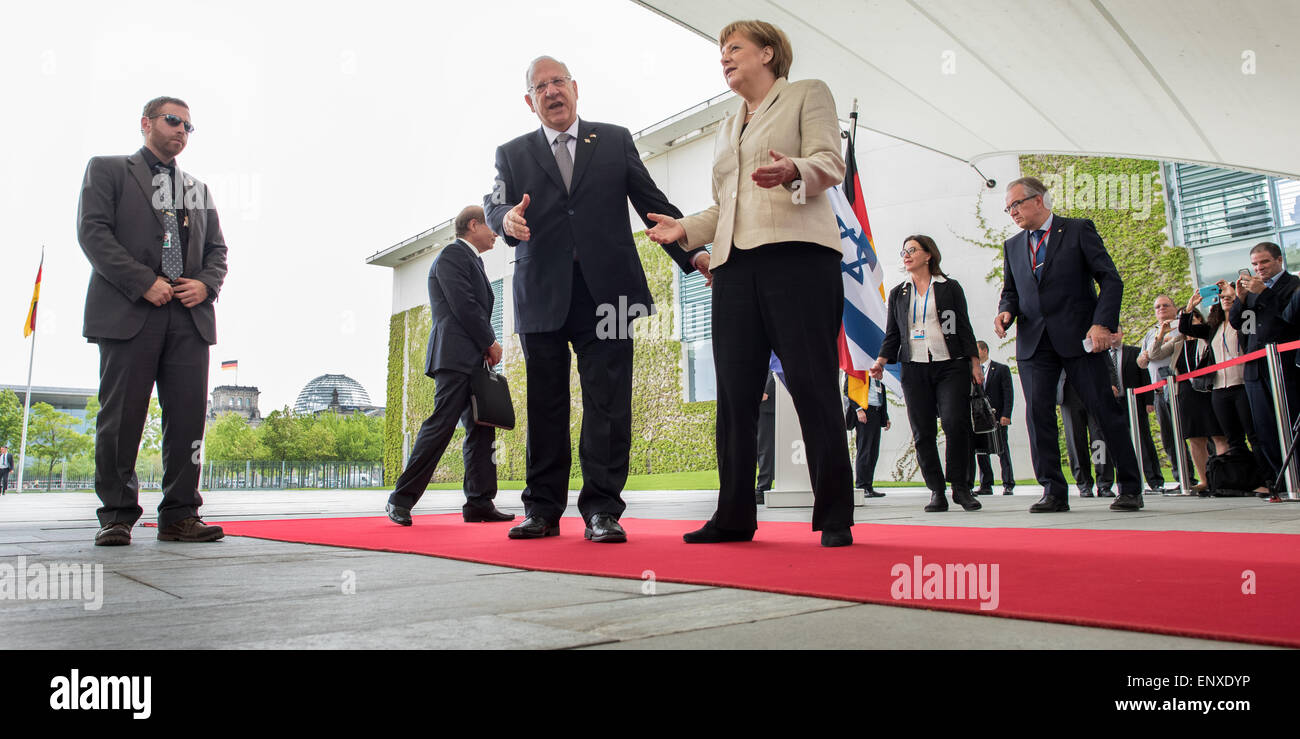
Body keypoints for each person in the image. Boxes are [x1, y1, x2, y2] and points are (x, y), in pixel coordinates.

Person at [645, 19, 854, 546]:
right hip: (733, 270)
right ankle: (734, 515)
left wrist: (794, 171)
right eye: (721, 51)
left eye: (734, 48)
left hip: (798, 260)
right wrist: (685, 230)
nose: (725, 58)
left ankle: (833, 516)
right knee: (736, 397)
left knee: (811, 384)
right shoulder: (727, 123)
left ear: (767, 53)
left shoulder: (807, 94)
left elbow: (831, 163)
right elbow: (727, 205)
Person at [485, 56, 707, 543]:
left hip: (609, 295)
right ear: (530, 101)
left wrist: (696, 256)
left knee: (608, 402)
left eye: (557, 81)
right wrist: (505, 220)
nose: (551, 91)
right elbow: (494, 202)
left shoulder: (613, 139)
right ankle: (541, 510)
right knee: (545, 404)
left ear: (575, 88)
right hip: (542, 294)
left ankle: (602, 510)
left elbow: (653, 205)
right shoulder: (512, 153)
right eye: (540, 86)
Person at [77, 96, 228, 546]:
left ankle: (180, 514)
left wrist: (205, 285)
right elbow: (93, 233)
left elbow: (218, 251)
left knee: (187, 421)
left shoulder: (197, 190)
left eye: (188, 126)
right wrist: (144, 281)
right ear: (146, 123)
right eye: (173, 120)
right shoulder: (107, 170)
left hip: (188, 317)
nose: (182, 129)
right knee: (122, 418)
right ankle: (117, 515)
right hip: (130, 312)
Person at [993, 176, 1145, 512]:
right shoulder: (1013, 246)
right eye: (1008, 208)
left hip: (1081, 338)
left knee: (1104, 409)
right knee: (1038, 415)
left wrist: (1102, 323)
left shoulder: (1077, 230)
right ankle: (1053, 491)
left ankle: (1131, 487)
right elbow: (1012, 291)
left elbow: (1110, 279)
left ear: (1039, 200)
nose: (1012, 212)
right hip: (1034, 342)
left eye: (1016, 204)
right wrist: (1005, 313)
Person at [384, 207, 514, 527]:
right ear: (473, 225)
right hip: (455, 357)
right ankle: (400, 499)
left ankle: (479, 503)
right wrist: (490, 342)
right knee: (440, 426)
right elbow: (464, 304)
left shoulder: (472, 260)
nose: (496, 234)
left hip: (472, 359)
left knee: (482, 429)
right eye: (491, 227)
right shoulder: (453, 255)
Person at [869, 235, 982, 513]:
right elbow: (893, 333)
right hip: (914, 367)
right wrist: (882, 361)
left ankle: (961, 487)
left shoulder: (949, 287)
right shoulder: (899, 292)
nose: (906, 255)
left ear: (928, 254)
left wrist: (975, 363)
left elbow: (964, 326)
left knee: (956, 423)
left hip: (950, 364)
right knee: (923, 431)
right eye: (903, 251)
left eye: (912, 250)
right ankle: (936, 490)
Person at [1227, 242, 1300, 490]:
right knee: (1264, 427)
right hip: (1255, 367)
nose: (1259, 268)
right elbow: (1238, 324)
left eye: (1264, 262)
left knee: (1290, 423)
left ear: (1279, 260)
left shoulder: (1293, 285)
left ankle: (1297, 477)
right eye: (1255, 264)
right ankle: (1279, 479)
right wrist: (1241, 298)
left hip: (1285, 366)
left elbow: (1289, 320)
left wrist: (1266, 294)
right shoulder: (1252, 290)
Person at [1182, 283, 1268, 493]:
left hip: (1243, 385)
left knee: (1254, 434)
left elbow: (1251, 331)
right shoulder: (1214, 327)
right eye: (1222, 297)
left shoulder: (1244, 320)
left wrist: (1236, 296)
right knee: (1233, 438)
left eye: (1229, 295)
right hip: (1220, 389)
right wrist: (1189, 308)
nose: (1225, 298)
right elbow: (1186, 328)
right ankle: (1243, 480)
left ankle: (1267, 479)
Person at [1146, 308, 1225, 493]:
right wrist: (1161, 334)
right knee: (1196, 438)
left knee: (1218, 435)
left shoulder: (1206, 337)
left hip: (1208, 389)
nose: (1188, 323)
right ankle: (1205, 481)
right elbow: (1154, 354)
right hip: (1187, 393)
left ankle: (1224, 478)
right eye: (1184, 320)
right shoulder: (1178, 341)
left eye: (1192, 319)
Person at [1138, 295, 1193, 488]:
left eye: (1165, 305)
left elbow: (1154, 354)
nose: (1161, 309)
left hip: (1179, 388)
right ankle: (1182, 477)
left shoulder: (1182, 327)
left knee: (1190, 433)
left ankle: (1203, 474)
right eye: (1157, 307)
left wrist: (1151, 352)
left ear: (1174, 307)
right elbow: (1141, 362)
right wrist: (1146, 355)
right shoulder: (1150, 333)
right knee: (1169, 437)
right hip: (1159, 392)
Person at [1103, 330, 1166, 493]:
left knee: (1144, 441)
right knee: (1116, 443)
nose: (1113, 336)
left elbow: (1145, 377)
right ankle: (1120, 482)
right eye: (1109, 333)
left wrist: (1148, 401)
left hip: (1134, 402)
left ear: (1122, 334)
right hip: (1112, 404)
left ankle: (1155, 480)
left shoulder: (1134, 352)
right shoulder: (1101, 357)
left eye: (1115, 332)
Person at [970, 340, 1015, 495]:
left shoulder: (1001, 369)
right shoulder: (972, 372)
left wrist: (1006, 415)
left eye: (977, 350)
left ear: (984, 350)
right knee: (981, 451)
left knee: (1002, 449)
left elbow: (1008, 394)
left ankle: (1008, 483)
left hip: (997, 416)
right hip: (980, 418)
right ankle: (986, 484)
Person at [845, 375, 889, 497]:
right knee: (865, 450)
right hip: (864, 411)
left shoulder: (877, 371)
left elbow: (882, 394)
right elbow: (848, 390)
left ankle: (868, 486)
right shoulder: (857, 368)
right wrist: (858, 410)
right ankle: (861, 485)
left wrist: (885, 417)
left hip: (876, 411)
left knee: (873, 451)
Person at [756, 371, 776, 504]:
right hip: (759, 408)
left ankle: (763, 488)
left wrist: (765, 391)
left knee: (765, 448)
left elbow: (774, 372)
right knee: (762, 448)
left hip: (767, 408)